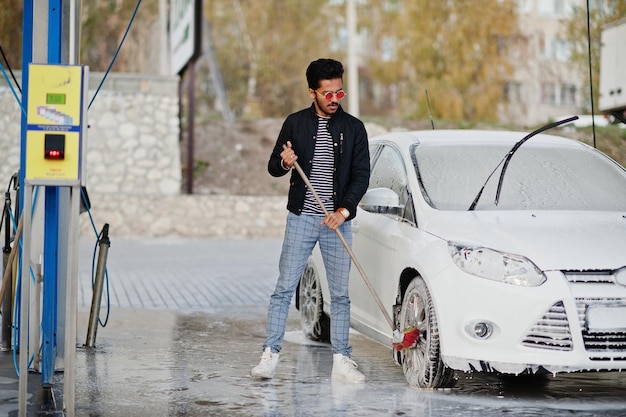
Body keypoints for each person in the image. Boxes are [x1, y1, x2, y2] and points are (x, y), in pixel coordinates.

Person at [251, 58, 370, 383]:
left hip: (337, 220)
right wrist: (285, 161)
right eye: (327, 93)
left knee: (340, 294)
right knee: (284, 287)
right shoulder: (295, 123)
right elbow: (274, 165)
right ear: (312, 93)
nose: (334, 99)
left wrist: (343, 210)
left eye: (339, 92)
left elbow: (361, 177)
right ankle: (270, 355)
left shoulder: (354, 128)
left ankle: (342, 360)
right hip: (302, 217)